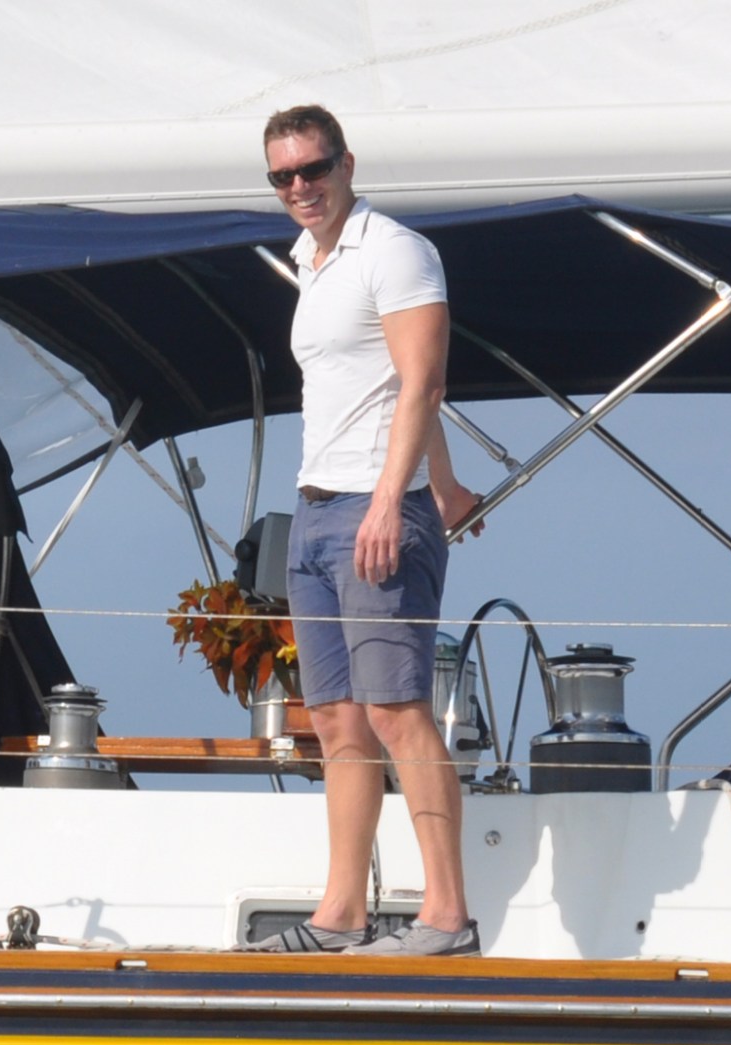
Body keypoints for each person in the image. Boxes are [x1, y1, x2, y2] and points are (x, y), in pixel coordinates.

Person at [258, 104, 482, 957]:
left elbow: (423, 380)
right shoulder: (309, 261)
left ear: (347, 163)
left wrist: (401, 500)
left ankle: (446, 918)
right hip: (316, 513)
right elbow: (388, 386)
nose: (300, 188)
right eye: (283, 176)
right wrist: (451, 481)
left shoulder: (393, 251)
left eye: (313, 169)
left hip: (371, 510)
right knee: (338, 722)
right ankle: (341, 915)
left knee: (397, 713)